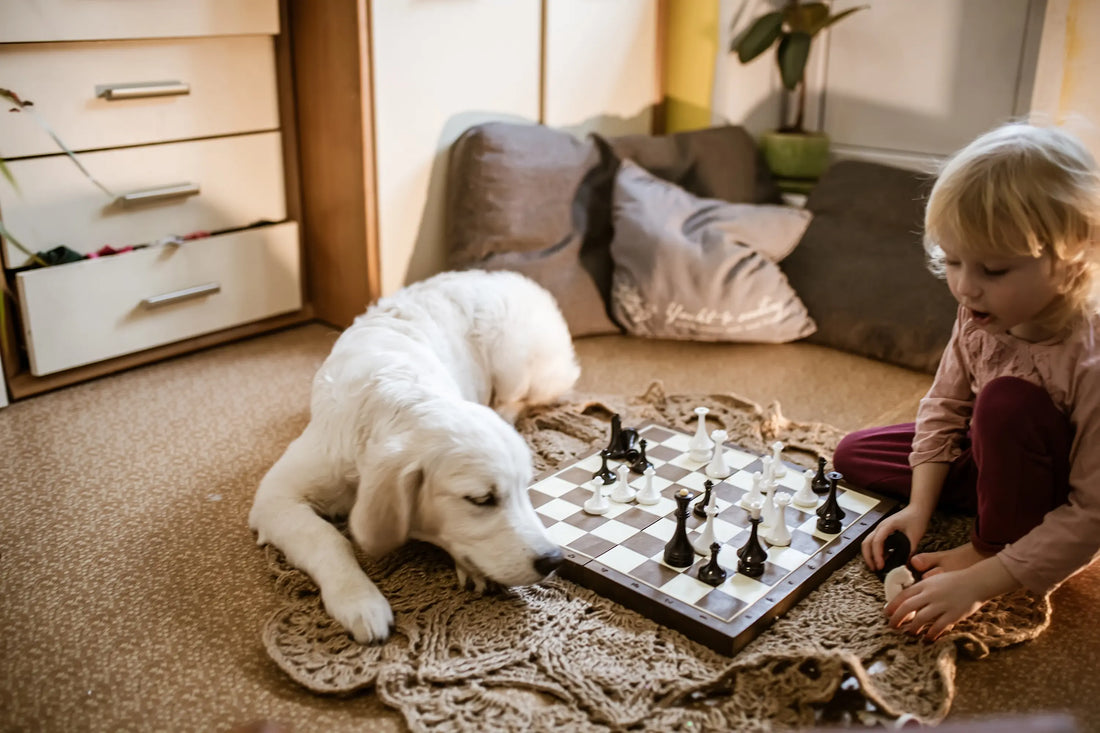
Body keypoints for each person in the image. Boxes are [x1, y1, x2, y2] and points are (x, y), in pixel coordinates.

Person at [834, 121, 1100, 640]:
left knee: (1003, 404)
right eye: (952, 261)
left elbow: (1090, 515)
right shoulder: (978, 310)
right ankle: (994, 501)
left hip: (1058, 486)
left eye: (992, 270)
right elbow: (944, 405)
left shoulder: (1088, 360)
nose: (964, 286)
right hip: (997, 449)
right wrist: (918, 507)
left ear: (1073, 260)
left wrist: (980, 579)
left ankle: (995, 543)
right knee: (853, 454)